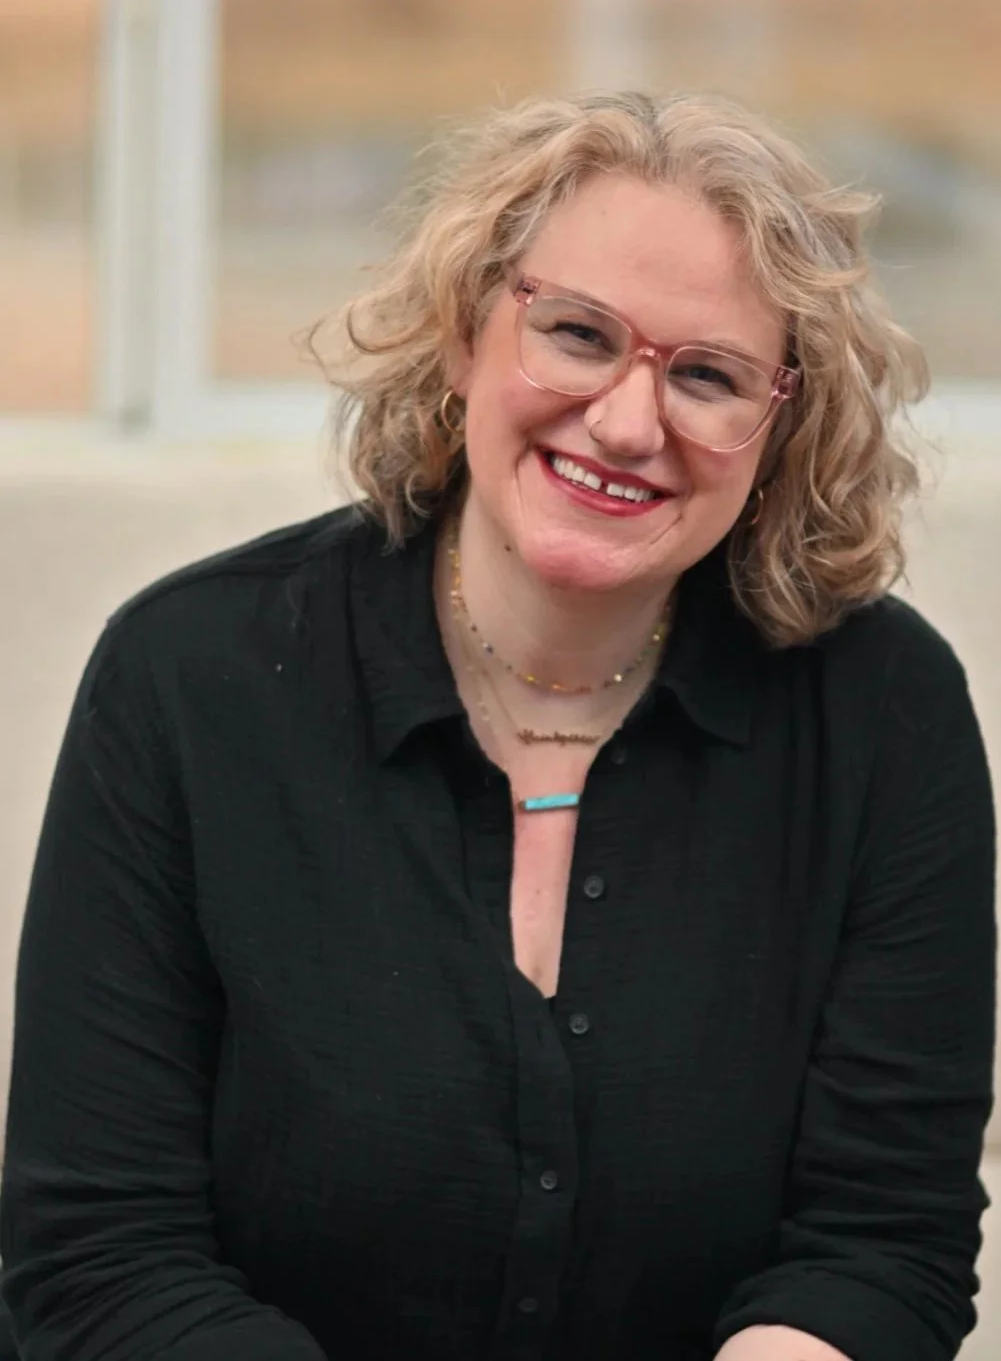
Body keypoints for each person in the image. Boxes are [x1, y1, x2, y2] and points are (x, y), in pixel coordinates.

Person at [0, 90, 995, 1361]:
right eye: (577, 334)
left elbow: (880, 1245)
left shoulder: (880, 715)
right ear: (468, 330)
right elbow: (99, 1252)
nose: (629, 423)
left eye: (707, 375)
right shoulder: (189, 677)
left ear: (780, 426)